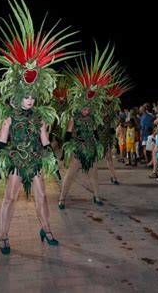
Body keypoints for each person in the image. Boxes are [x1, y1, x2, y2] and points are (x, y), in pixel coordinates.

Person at [0, 0, 76, 254]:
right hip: (15, 159)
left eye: (33, 96)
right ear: (17, 94)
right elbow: (2, 141)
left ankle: (47, 230)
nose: (30, 100)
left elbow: (45, 139)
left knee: (43, 196)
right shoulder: (10, 116)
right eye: (26, 96)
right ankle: (2, 236)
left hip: (35, 158)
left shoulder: (39, 116)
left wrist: (53, 162)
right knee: (10, 197)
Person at [58, 43, 117, 209]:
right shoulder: (74, 118)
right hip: (77, 148)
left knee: (94, 174)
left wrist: (98, 144)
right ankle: (62, 198)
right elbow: (68, 134)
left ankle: (97, 196)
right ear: (80, 105)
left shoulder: (93, 118)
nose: (86, 110)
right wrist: (66, 149)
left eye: (88, 108)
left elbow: (95, 132)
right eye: (84, 108)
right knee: (71, 174)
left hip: (90, 148)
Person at [101, 76, 132, 184]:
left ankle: (113, 177)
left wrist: (114, 129)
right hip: (98, 135)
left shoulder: (112, 107)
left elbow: (114, 120)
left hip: (107, 135)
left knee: (109, 157)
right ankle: (92, 177)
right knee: (94, 159)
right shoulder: (99, 106)